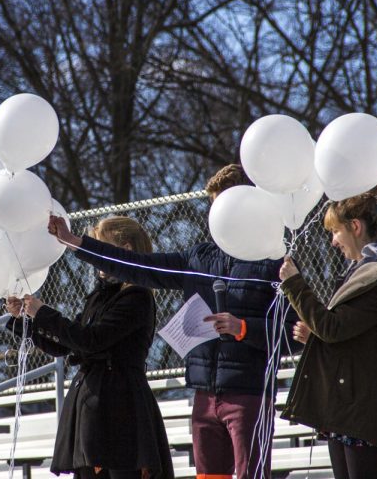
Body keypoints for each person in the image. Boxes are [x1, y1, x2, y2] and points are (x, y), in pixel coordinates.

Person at [48, 164, 301, 479]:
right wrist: (75, 242)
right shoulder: (198, 258)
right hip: (204, 393)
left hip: (249, 391)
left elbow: (293, 332)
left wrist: (243, 328)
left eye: (224, 206)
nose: (217, 217)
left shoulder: (273, 262)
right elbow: (137, 266)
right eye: (213, 208)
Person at [276, 181, 377, 479]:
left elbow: (333, 328)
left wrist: (295, 284)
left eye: (336, 231)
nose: (333, 241)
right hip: (349, 410)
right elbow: (353, 336)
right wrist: (316, 338)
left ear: (355, 226)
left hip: (365, 411)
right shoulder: (364, 272)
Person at [5, 216, 174, 479]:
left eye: (99, 246)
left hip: (122, 406)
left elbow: (91, 339)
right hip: (90, 406)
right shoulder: (99, 295)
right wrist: (26, 319)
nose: (93, 256)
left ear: (125, 249)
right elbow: (67, 345)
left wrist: (44, 312)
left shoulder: (136, 296)